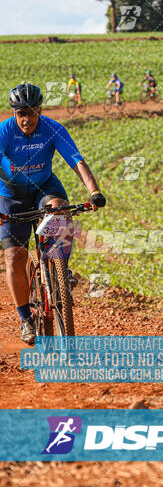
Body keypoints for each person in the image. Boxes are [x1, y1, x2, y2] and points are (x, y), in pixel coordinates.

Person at [0, 83, 106, 344]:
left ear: (40, 110)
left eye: (32, 112)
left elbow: (76, 160)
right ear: (14, 112)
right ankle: (25, 318)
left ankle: (61, 267)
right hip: (10, 195)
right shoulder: (4, 132)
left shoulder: (52, 128)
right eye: (21, 113)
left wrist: (94, 192)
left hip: (44, 187)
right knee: (14, 256)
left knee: (60, 210)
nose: (26, 119)